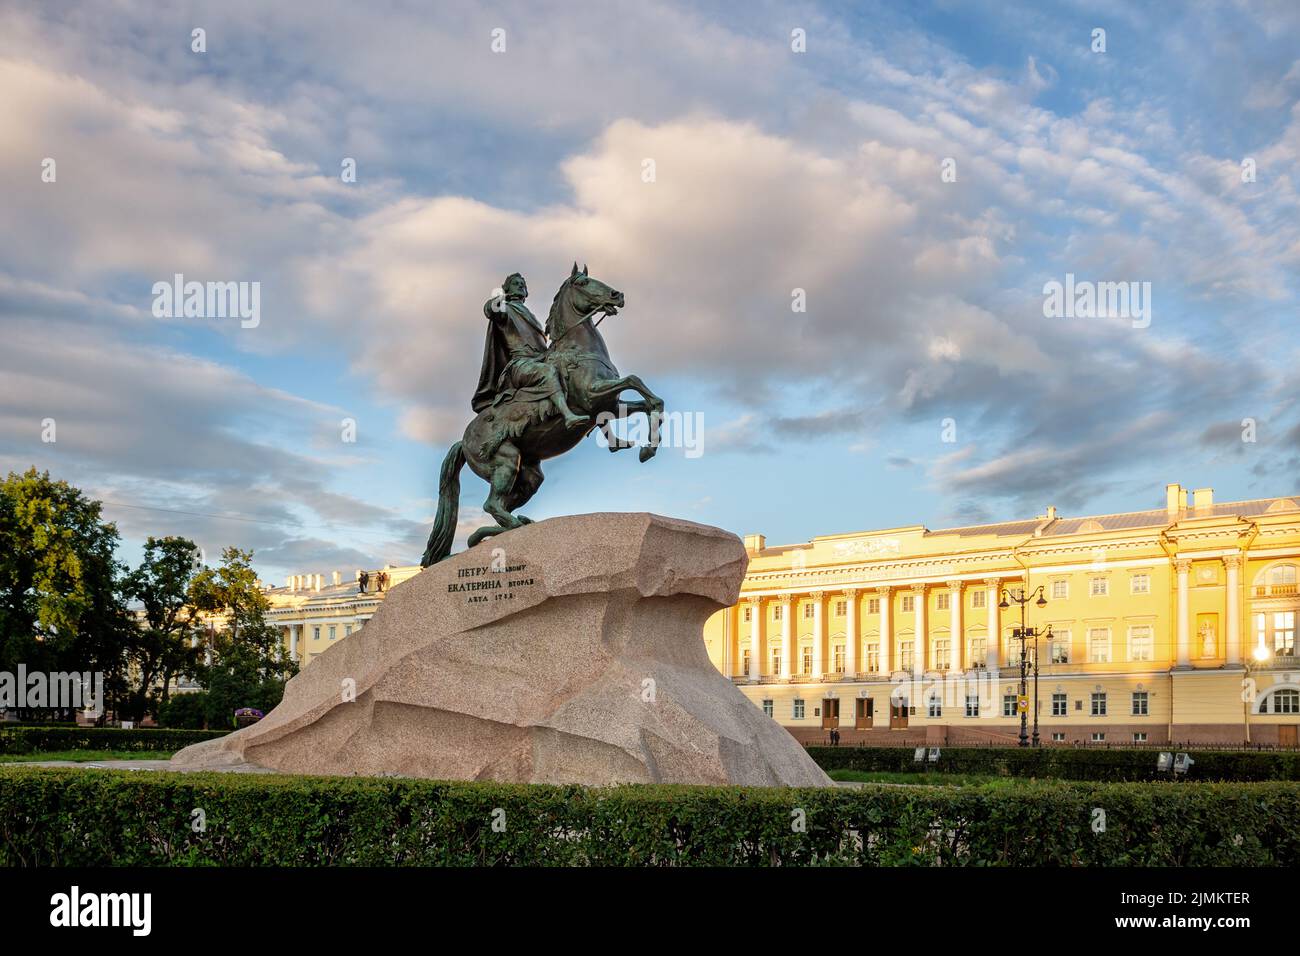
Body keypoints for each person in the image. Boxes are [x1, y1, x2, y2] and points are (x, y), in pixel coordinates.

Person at [472, 273, 590, 428]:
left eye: (523, 284)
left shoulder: (530, 315)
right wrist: (500, 297)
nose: (521, 285)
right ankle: (567, 415)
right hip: (520, 365)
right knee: (547, 372)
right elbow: (490, 310)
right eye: (515, 283)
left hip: (539, 360)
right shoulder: (506, 310)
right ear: (507, 289)